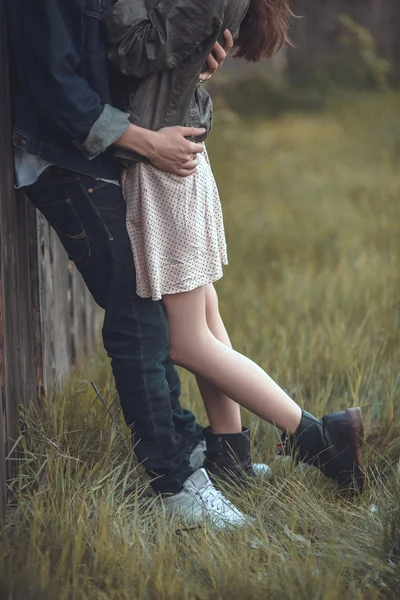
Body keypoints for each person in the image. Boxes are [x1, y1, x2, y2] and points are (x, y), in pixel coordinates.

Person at [5, 0, 272, 531]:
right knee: (138, 310)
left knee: (151, 303)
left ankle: (191, 444)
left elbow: (122, 54)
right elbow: (58, 88)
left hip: (107, 154)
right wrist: (149, 142)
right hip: (65, 158)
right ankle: (175, 482)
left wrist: (194, 62)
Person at [104, 0, 366, 522]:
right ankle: (231, 455)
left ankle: (318, 437)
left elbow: (133, 51)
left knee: (185, 339)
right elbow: (172, 49)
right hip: (175, 156)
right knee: (205, 317)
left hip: (162, 167)